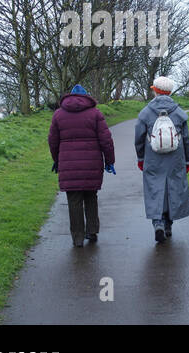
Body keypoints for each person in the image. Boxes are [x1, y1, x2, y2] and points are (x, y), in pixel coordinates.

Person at [49, 84, 115, 248]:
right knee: (91, 197)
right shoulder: (95, 113)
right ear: (86, 97)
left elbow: (52, 140)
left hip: (68, 163)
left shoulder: (58, 114)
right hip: (92, 162)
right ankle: (92, 231)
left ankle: (77, 237)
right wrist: (109, 161)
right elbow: (106, 140)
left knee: (74, 201)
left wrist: (56, 160)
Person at [134, 76, 189, 243]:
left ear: (156, 91)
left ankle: (157, 223)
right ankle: (168, 224)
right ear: (169, 92)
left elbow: (139, 138)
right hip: (176, 159)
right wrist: (187, 161)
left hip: (153, 159)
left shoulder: (146, 112)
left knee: (154, 189)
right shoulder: (179, 112)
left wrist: (140, 158)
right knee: (172, 189)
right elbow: (186, 139)